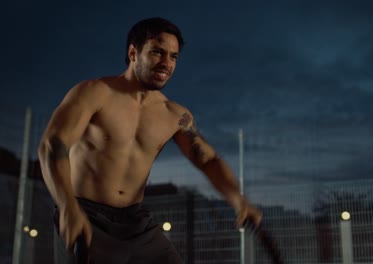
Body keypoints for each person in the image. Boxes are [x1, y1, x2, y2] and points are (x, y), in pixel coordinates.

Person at [38, 17, 262, 263]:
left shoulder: (174, 115)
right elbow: (53, 146)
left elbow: (208, 160)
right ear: (133, 52)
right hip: (85, 216)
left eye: (173, 56)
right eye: (157, 52)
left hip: (136, 223)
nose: (166, 63)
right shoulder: (94, 92)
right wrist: (68, 207)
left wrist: (238, 200)